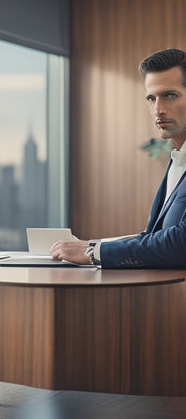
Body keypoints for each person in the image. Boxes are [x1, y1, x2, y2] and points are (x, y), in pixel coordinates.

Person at [51, 48, 186, 268]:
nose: (158, 110)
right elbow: (153, 237)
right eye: (151, 98)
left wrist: (94, 252)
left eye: (170, 95)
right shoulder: (178, 159)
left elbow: (181, 243)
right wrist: (92, 246)